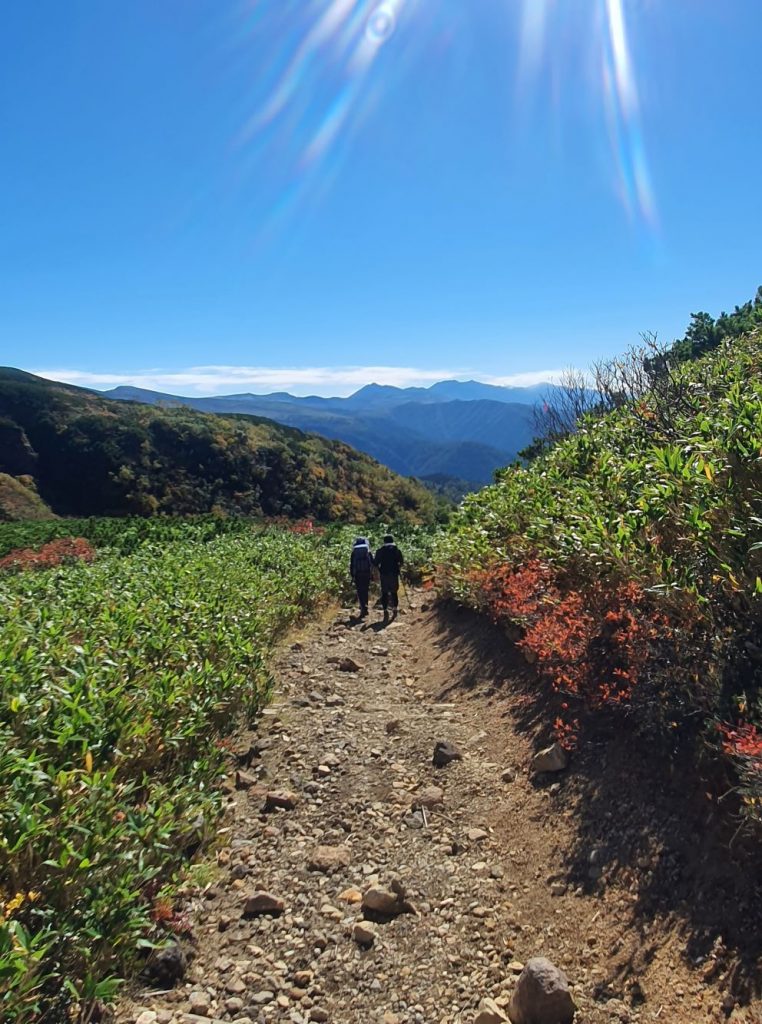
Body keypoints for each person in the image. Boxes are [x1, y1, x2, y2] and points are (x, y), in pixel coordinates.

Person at [374, 533, 404, 621]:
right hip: (394, 574)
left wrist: (378, 569)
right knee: (394, 592)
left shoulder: (380, 550)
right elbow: (401, 562)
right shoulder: (397, 550)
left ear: (384, 541)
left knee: (384, 592)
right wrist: (398, 567)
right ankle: (395, 608)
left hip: (384, 574)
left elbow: (375, 563)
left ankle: (385, 610)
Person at [349, 536, 374, 618]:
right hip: (366, 573)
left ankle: (363, 607)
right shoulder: (367, 551)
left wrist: (352, 575)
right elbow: (372, 563)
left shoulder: (354, 552)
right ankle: (365, 606)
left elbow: (352, 565)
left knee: (360, 591)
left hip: (358, 574)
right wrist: (372, 574)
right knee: (365, 590)